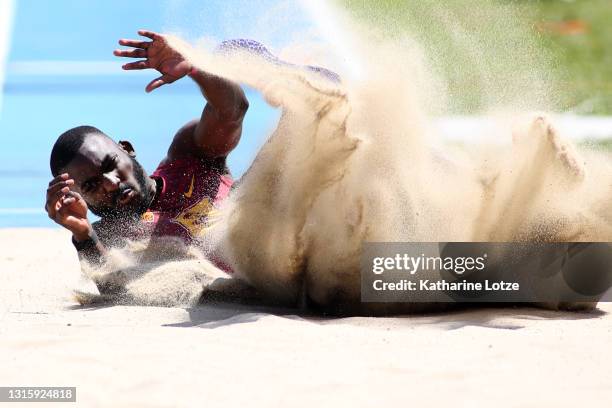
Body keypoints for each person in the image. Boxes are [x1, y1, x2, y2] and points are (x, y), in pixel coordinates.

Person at [45, 30, 248, 265]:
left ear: (127, 149)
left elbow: (233, 110)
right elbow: (115, 288)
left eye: (110, 165)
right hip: (270, 285)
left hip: (279, 232)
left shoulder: (190, 154)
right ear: (82, 201)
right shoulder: (107, 240)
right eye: (92, 185)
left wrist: (195, 67)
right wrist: (83, 234)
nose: (111, 184)